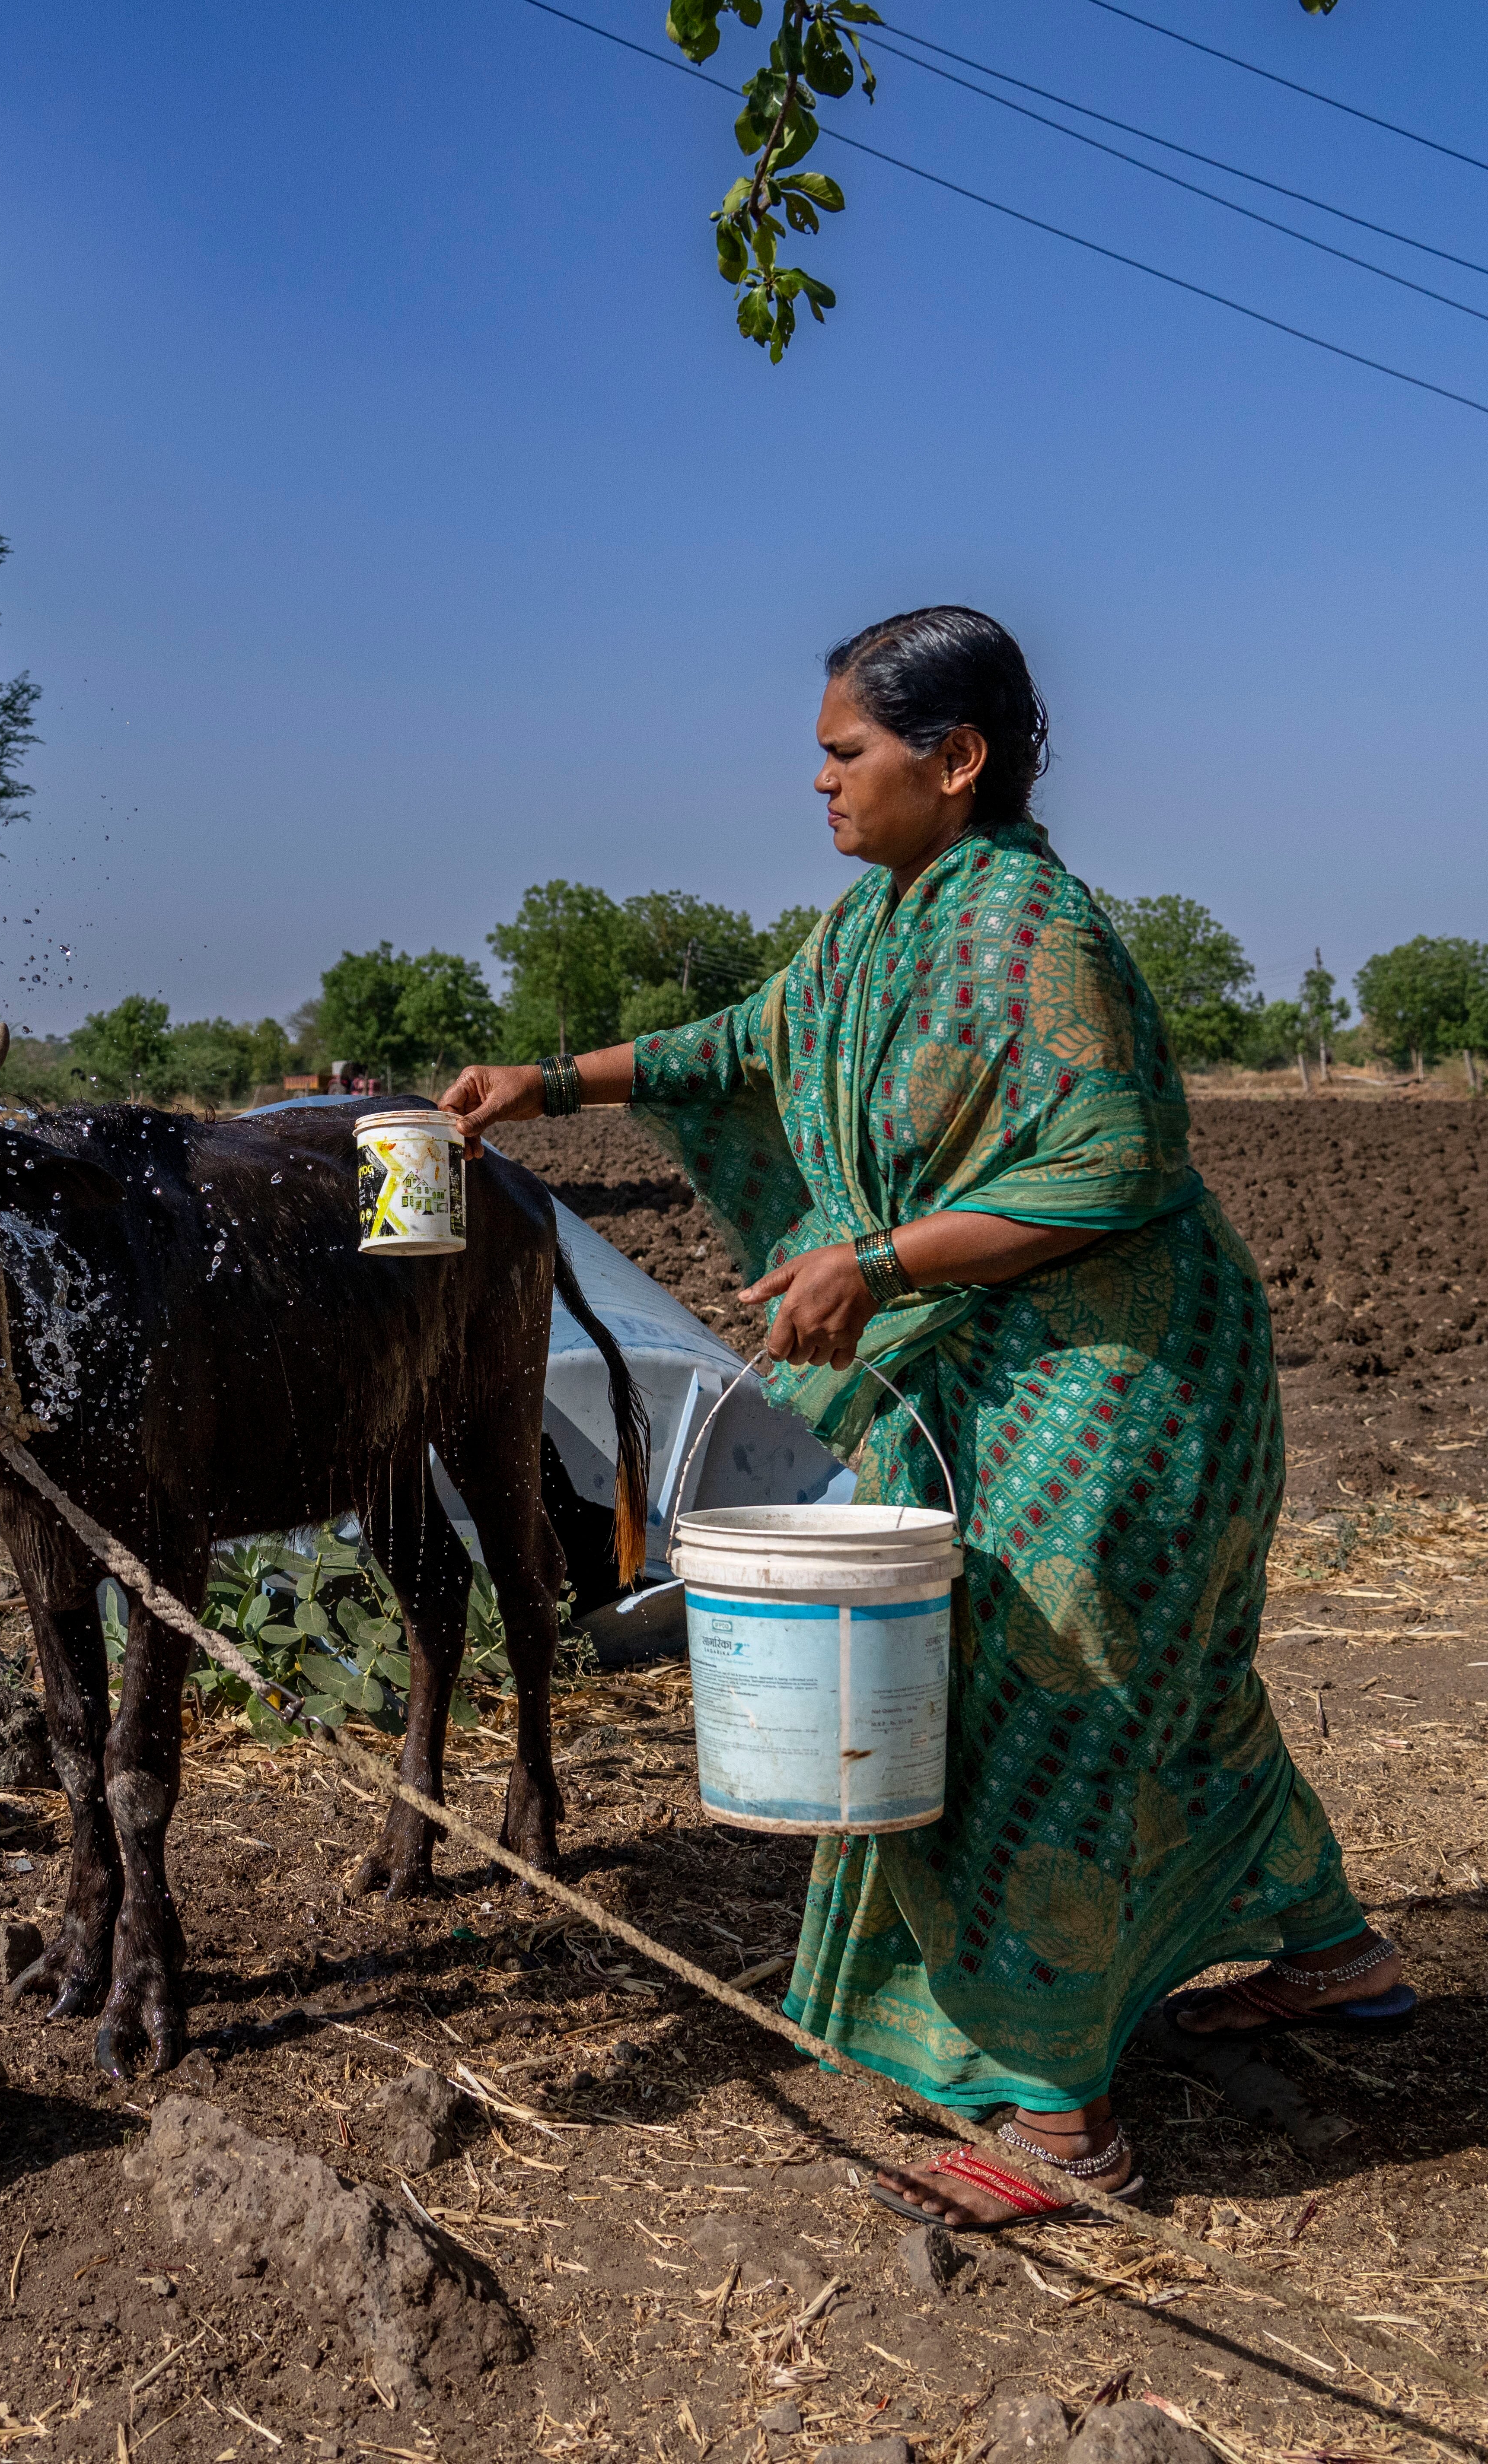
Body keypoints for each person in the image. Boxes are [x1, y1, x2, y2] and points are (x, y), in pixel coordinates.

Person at [439, 607, 1408, 2226]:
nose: (815, 783)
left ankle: (1064, 2133)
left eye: (844, 753)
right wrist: (542, 1086)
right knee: (1158, 1690)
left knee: (1035, 1704)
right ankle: (1339, 1961)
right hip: (999, 1368)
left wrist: (876, 1261)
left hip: (1118, 1384)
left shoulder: (1035, 936)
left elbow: (1117, 1169)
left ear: (952, 762)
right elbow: (739, 1043)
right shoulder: (882, 927)